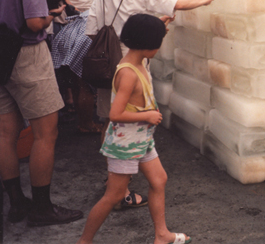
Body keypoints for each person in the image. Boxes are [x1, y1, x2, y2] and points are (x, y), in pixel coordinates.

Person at [85, 0, 216, 208]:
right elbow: (176, 2)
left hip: (106, 66)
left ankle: (114, 181)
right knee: (136, 122)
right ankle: (121, 190)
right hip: (132, 66)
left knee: (110, 123)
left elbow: (92, 31)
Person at [0, 0, 83, 226]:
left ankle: (16, 202)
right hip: (26, 55)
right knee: (45, 133)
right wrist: (53, 13)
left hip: (0, 54)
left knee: (5, 133)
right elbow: (35, 23)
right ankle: (42, 208)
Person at [77, 14, 191, 244]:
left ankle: (162, 235)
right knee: (114, 195)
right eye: (158, 42)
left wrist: (160, 26)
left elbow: (146, 41)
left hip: (141, 139)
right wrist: (147, 114)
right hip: (125, 145)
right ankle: (84, 242)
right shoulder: (128, 73)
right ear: (149, 45)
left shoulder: (139, 59)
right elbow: (115, 114)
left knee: (159, 180)